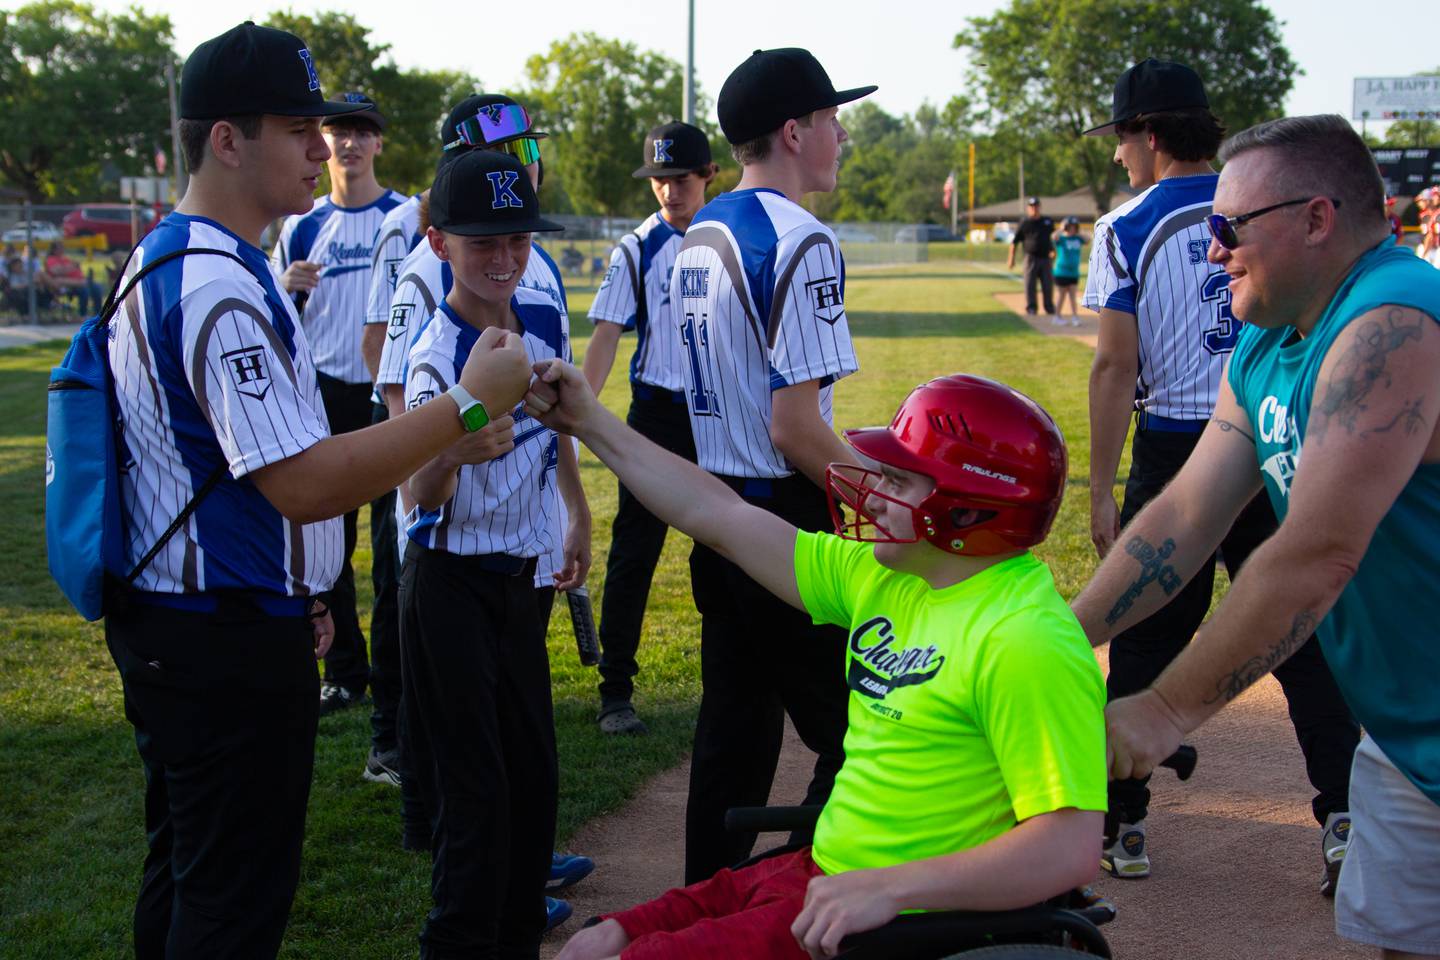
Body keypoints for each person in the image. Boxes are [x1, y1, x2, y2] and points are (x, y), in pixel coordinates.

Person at [102, 21, 532, 958]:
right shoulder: (216, 282)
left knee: (185, 875)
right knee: (230, 902)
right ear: (226, 139)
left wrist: (294, 590)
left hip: (199, 615)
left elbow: (220, 470)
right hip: (217, 638)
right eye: (297, 127)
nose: (320, 146)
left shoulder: (185, 258)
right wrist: (465, 407)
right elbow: (301, 483)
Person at [525, 366, 1106, 960]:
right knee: (602, 939)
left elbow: (1068, 847)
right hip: (825, 874)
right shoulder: (892, 575)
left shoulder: (1025, 638)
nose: (873, 490)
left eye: (900, 481)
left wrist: (887, 888)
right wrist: (588, 421)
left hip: (897, 921)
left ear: (967, 512)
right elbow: (719, 517)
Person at [1076, 113, 1440, 958]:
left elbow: (1318, 552)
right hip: (1406, 730)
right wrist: (1060, 636)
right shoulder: (1269, 341)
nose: (1212, 250)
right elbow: (1184, 514)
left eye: (1228, 228)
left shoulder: (1397, 318)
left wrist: (1163, 711)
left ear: (1316, 218)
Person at [1080, 58, 1359, 887]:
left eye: (1125, 137)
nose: (1119, 155)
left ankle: (1120, 824)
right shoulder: (1260, 209)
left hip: (1174, 445)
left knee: (1146, 636)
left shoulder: (1126, 224)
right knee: (1301, 635)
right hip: (1276, 433)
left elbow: (1112, 365)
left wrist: (1100, 484)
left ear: (1153, 134)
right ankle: (1343, 815)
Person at [367, 95, 594, 910]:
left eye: (518, 238)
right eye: (483, 241)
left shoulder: (539, 309)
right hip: (449, 570)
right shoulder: (434, 334)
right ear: (440, 241)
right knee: (474, 786)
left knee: (528, 769)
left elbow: (561, 421)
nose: (504, 256)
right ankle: (469, 904)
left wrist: (575, 505)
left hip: (521, 566)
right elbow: (414, 480)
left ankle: (512, 896)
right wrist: (454, 440)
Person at [667, 47, 873, 885]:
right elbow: (794, 429)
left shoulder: (698, 232)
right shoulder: (803, 240)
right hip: (786, 525)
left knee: (734, 736)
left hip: (717, 514)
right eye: (830, 118)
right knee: (863, 735)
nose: (839, 134)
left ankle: (703, 908)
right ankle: (794, 898)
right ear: (794, 131)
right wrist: (884, 488)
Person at [270, 92, 406, 718]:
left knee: (392, 544)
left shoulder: (403, 219)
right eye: (338, 132)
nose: (349, 143)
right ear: (323, 143)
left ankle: (396, 674)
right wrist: (288, 290)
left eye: (361, 131)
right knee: (328, 543)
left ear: (379, 143)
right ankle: (346, 670)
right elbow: (273, 326)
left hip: (391, 394)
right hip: (322, 395)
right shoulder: (301, 223)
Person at [581, 120, 717, 735]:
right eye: (658, 180)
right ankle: (616, 693)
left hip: (718, 414)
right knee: (634, 553)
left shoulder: (729, 237)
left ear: (709, 175)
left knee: (726, 549)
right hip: (657, 415)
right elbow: (607, 334)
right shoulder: (635, 249)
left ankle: (729, 677)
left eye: (680, 178)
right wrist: (578, 409)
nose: (668, 191)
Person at [1007, 196, 1056, 319]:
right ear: (1028, 208)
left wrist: (1054, 250)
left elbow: (1054, 238)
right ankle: (1032, 307)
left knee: (1048, 284)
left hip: (1045, 258)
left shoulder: (1047, 221)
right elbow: (1015, 241)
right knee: (1029, 284)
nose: (1034, 208)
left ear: (1039, 207)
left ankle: (1049, 307)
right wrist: (1011, 258)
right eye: (1032, 206)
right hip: (1031, 258)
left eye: (1036, 206)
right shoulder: (1025, 222)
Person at [1052, 216, 1084, 326]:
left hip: (1073, 272)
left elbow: (1088, 238)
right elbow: (1053, 236)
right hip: (1061, 272)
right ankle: (1057, 316)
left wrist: (1079, 232)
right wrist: (1061, 228)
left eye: (1074, 227)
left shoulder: (1078, 238)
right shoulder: (1061, 238)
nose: (1072, 229)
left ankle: (1075, 317)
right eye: (1070, 227)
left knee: (1072, 295)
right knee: (1061, 295)